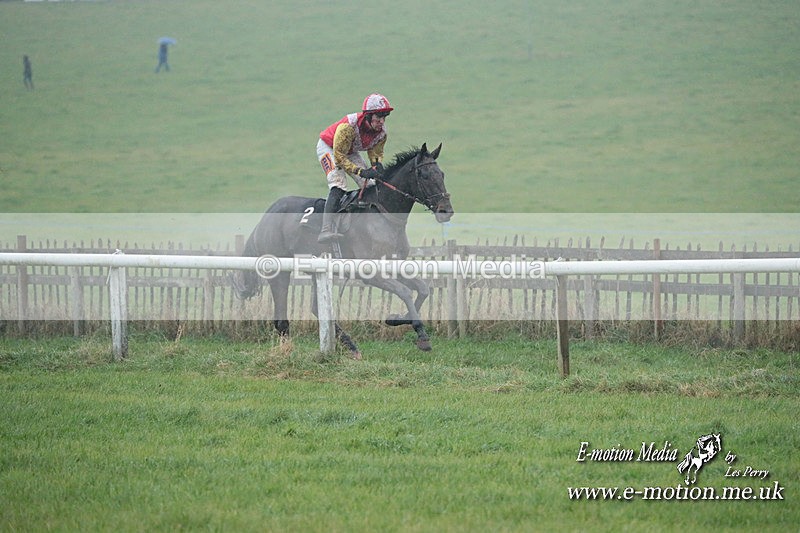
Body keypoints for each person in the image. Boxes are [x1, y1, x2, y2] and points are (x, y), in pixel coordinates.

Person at [316, 93, 393, 243]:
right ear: (368, 116)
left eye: (385, 117)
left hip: (350, 150)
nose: (382, 122)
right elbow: (339, 157)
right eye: (378, 117)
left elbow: (375, 152)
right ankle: (325, 229)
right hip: (329, 148)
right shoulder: (348, 127)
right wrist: (361, 171)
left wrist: (377, 165)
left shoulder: (382, 133)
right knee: (338, 184)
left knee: (371, 185)